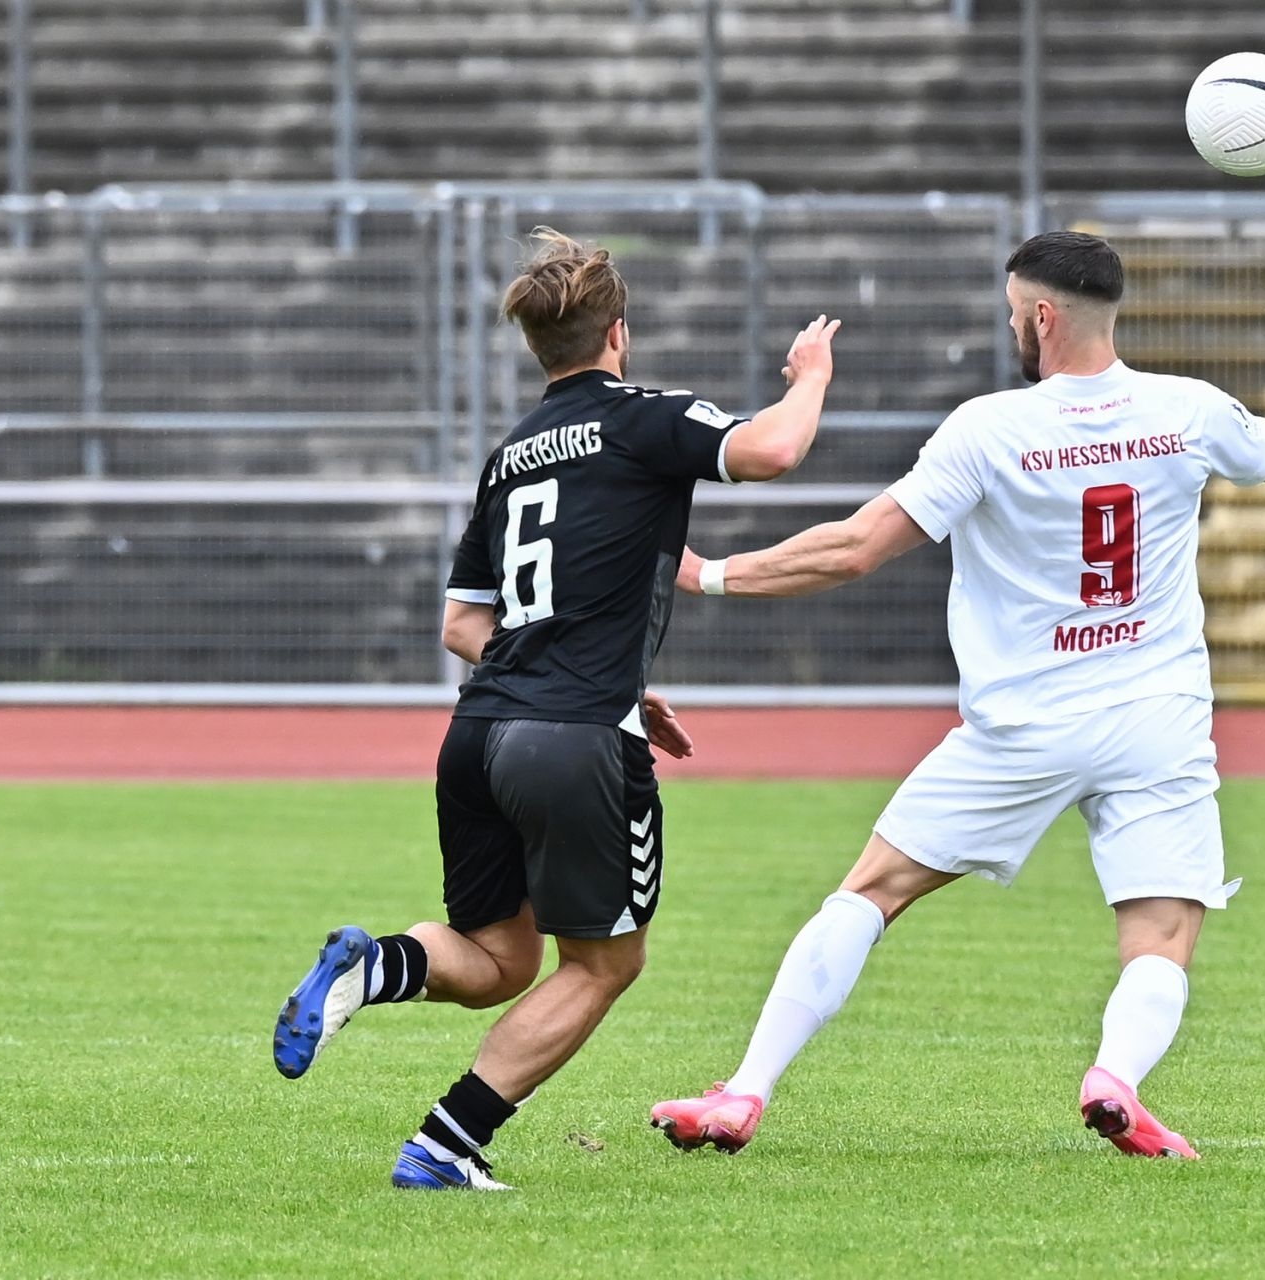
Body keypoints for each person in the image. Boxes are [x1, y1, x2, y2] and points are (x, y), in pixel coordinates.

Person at [651, 231, 1265, 1159]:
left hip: (1023, 726)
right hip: (1156, 719)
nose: (1010, 328)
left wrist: (710, 574)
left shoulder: (990, 428)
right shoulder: (1188, 409)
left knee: (871, 891)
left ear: (1042, 316)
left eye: (1011, 314)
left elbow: (856, 548)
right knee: (1161, 933)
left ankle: (746, 1092)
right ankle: (1115, 1079)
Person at [270, 227, 842, 1190]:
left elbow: (461, 624)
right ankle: (445, 1147)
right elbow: (775, 448)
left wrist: (581, 673)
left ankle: (372, 968)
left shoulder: (509, 458)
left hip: (480, 730)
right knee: (603, 964)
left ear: (542, 346)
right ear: (618, 334)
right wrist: (812, 376)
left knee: (498, 959)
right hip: (575, 738)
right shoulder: (646, 416)